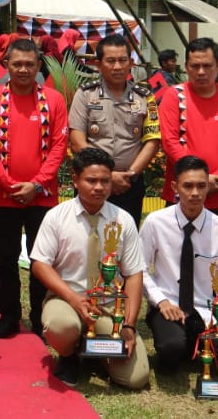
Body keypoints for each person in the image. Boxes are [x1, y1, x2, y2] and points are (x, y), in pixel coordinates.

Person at [31, 148, 149, 389]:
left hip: (108, 306)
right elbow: (40, 265)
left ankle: (98, 351)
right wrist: (74, 299)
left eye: (105, 181)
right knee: (60, 327)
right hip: (67, 300)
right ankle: (69, 355)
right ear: (75, 180)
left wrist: (128, 325)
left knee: (137, 378)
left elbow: (134, 274)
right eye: (91, 180)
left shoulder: (123, 220)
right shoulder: (56, 217)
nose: (99, 187)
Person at [140, 155, 218, 385]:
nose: (195, 193)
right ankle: (182, 347)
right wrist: (161, 301)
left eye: (201, 186)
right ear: (175, 187)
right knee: (171, 351)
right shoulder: (155, 222)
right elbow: (139, 270)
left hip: (208, 312)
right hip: (168, 308)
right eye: (188, 186)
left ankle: (197, 345)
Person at [0, 37, 69, 339]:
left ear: (38, 66)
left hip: (43, 198)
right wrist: (8, 185)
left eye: (29, 64)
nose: (22, 70)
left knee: (41, 259)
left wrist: (36, 184)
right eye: (16, 64)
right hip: (1, 197)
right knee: (5, 260)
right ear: (6, 64)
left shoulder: (54, 100)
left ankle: (39, 315)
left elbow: (60, 146)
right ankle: (8, 316)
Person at [68, 33, 160, 225]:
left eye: (122, 60)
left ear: (131, 63)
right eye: (110, 61)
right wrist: (107, 176)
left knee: (125, 239)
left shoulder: (145, 97)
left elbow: (152, 141)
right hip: (93, 182)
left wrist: (128, 175)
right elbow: (77, 141)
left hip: (129, 184)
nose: (117, 66)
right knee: (87, 237)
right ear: (98, 64)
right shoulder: (85, 95)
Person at [158, 38, 218, 224]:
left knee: (216, 251)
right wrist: (199, 180)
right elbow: (169, 142)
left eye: (207, 66)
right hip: (182, 193)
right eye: (195, 66)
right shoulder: (174, 96)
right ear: (186, 66)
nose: (201, 72)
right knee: (174, 250)